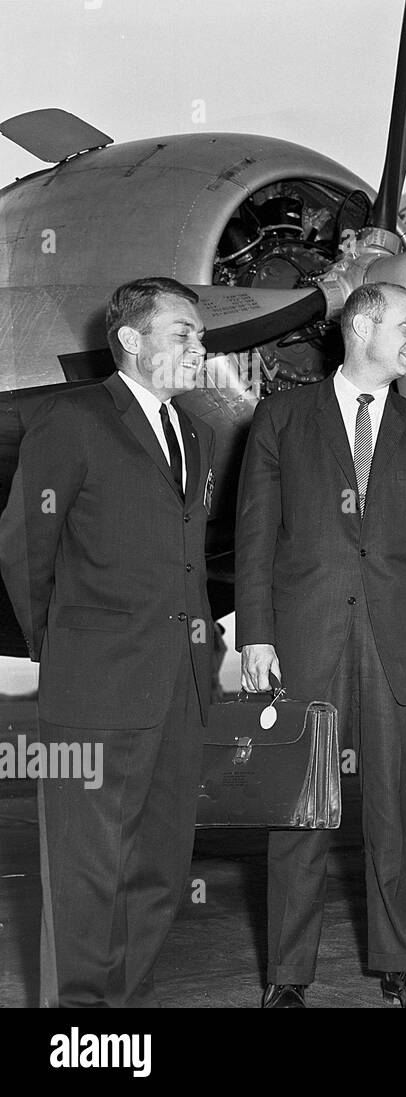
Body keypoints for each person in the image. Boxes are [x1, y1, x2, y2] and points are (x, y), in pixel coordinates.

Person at [236, 282, 406, 1009]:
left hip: (398, 644)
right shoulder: (280, 419)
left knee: (393, 808)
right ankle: (287, 976)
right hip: (305, 641)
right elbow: (253, 540)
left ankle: (401, 964)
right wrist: (257, 635)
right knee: (298, 810)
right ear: (362, 328)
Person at [0, 277, 213, 1007]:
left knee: (157, 869)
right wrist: (57, 644)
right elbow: (24, 541)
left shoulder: (196, 435)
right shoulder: (73, 416)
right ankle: (79, 1034)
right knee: (86, 874)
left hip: (180, 688)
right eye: (184, 333)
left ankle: (123, 1016)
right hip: (94, 685)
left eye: (201, 334)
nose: (200, 347)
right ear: (131, 338)